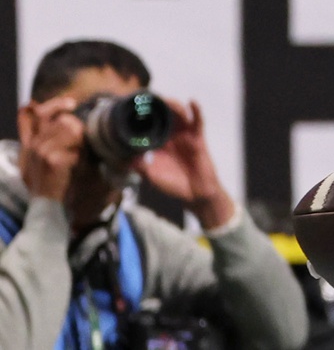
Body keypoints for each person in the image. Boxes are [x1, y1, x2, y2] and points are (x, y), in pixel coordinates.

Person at [2, 41, 307, 350]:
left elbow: (283, 334)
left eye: (124, 113)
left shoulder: (133, 240)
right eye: (94, 109)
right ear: (31, 124)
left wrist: (212, 204)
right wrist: (50, 209)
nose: (111, 129)